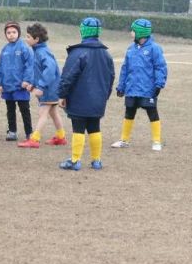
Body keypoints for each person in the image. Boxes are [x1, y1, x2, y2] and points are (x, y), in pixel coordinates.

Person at [57, 17, 115, 171]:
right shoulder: (106, 54)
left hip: (79, 98)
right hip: (98, 100)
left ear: (83, 31)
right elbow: (111, 78)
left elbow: (68, 76)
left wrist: (62, 94)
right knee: (95, 128)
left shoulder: (78, 52)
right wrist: (104, 96)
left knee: (78, 128)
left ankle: (75, 160)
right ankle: (96, 161)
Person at [111, 18, 167, 151]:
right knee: (129, 113)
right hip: (131, 89)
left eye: (133, 31)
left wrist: (159, 84)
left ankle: (157, 141)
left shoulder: (154, 49)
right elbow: (125, 69)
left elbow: (160, 67)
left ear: (140, 33)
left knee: (152, 113)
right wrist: (121, 86)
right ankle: (124, 140)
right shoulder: (130, 49)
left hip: (148, 90)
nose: (131, 33)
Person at [18, 23, 67, 149]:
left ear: (36, 39)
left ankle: (34, 139)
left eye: (28, 36)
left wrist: (41, 86)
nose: (26, 39)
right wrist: (32, 84)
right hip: (50, 87)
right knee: (53, 112)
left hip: (49, 89)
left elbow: (50, 70)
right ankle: (61, 137)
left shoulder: (42, 52)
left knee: (42, 113)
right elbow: (39, 71)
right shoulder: (37, 51)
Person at [0, 21, 34, 142]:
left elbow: (30, 66)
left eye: (14, 32)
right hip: (7, 86)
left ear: (18, 33)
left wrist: (26, 80)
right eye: (8, 33)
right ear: (5, 35)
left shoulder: (24, 48)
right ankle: (12, 131)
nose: (11, 35)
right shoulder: (4, 49)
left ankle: (29, 133)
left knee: (24, 109)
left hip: (20, 86)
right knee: (10, 110)